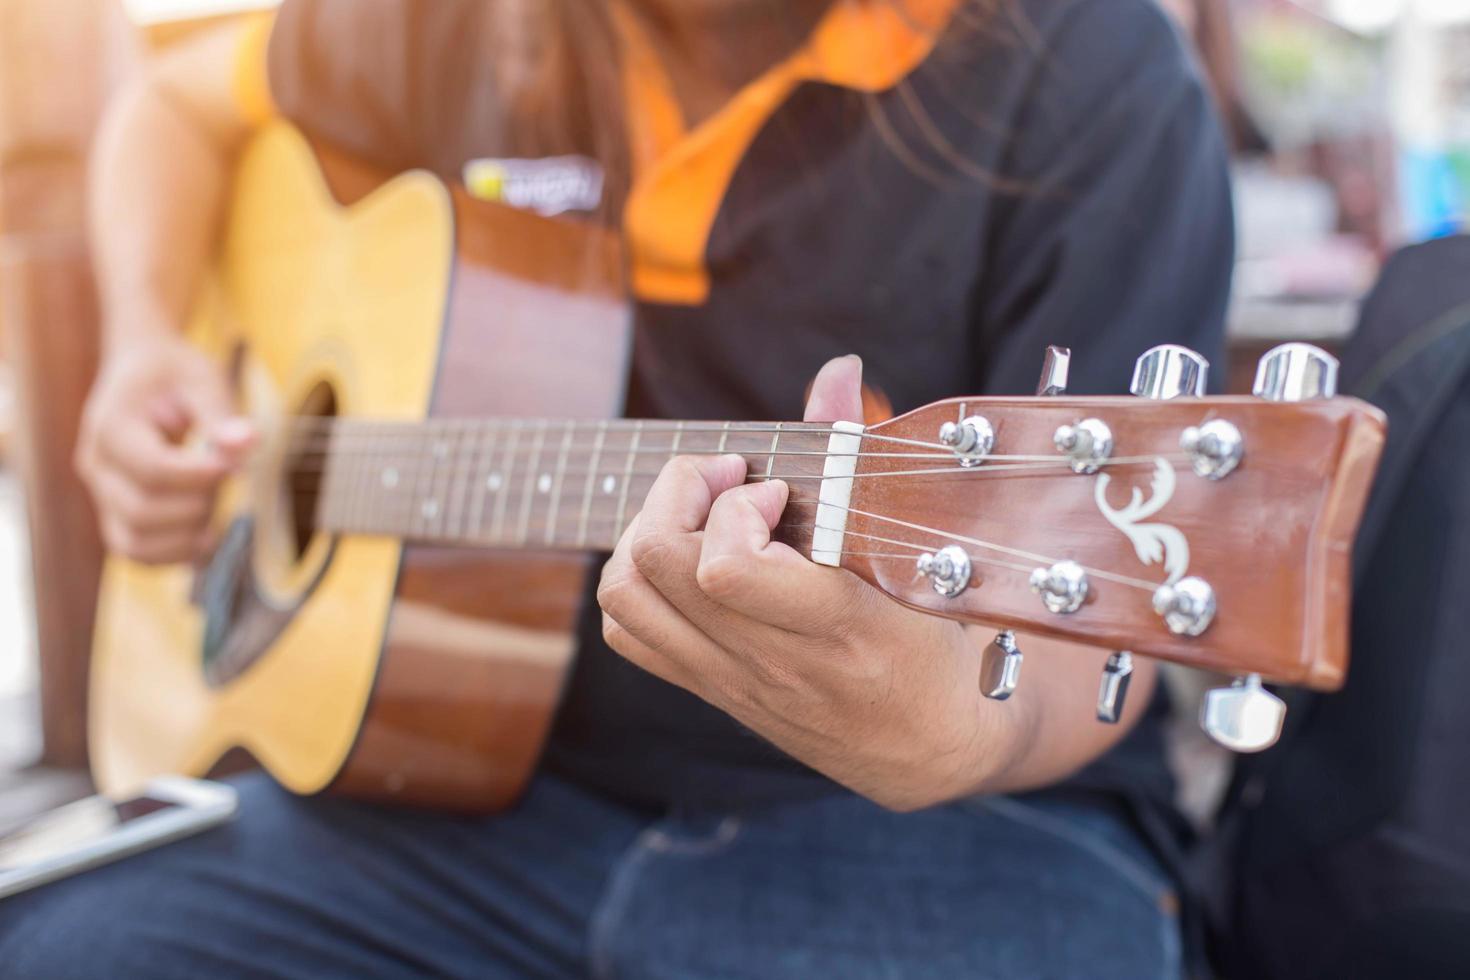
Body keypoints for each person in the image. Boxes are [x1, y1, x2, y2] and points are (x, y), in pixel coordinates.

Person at [0, 0, 1232, 976]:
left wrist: (965, 729)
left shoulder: (1088, 65)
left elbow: (1110, 596)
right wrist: (148, 343)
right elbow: (169, 105)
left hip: (953, 834)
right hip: (449, 807)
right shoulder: (450, 18)